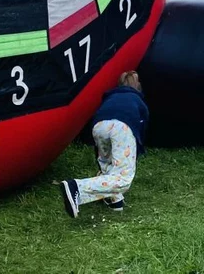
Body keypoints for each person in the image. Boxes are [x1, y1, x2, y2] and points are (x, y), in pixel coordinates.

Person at [59, 71, 149, 218]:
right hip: (122, 126)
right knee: (123, 178)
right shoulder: (138, 101)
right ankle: (77, 188)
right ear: (138, 87)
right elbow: (140, 129)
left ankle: (114, 200)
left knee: (107, 163)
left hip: (99, 126)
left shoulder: (110, 97)